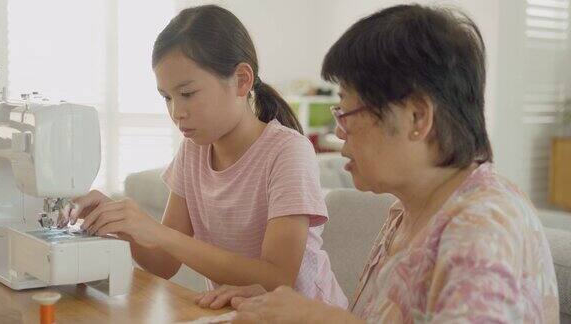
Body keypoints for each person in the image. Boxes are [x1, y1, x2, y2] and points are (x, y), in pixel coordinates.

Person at [230, 4, 559, 323]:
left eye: (346, 112)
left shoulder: (484, 227)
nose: (339, 134)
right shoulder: (408, 211)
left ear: (417, 117)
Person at [59, 4, 347, 310]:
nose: (176, 112)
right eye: (167, 97)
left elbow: (276, 280)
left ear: (241, 80)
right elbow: (164, 264)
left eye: (187, 93)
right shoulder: (193, 152)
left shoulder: (288, 152)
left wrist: (158, 232)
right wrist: (123, 224)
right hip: (239, 315)